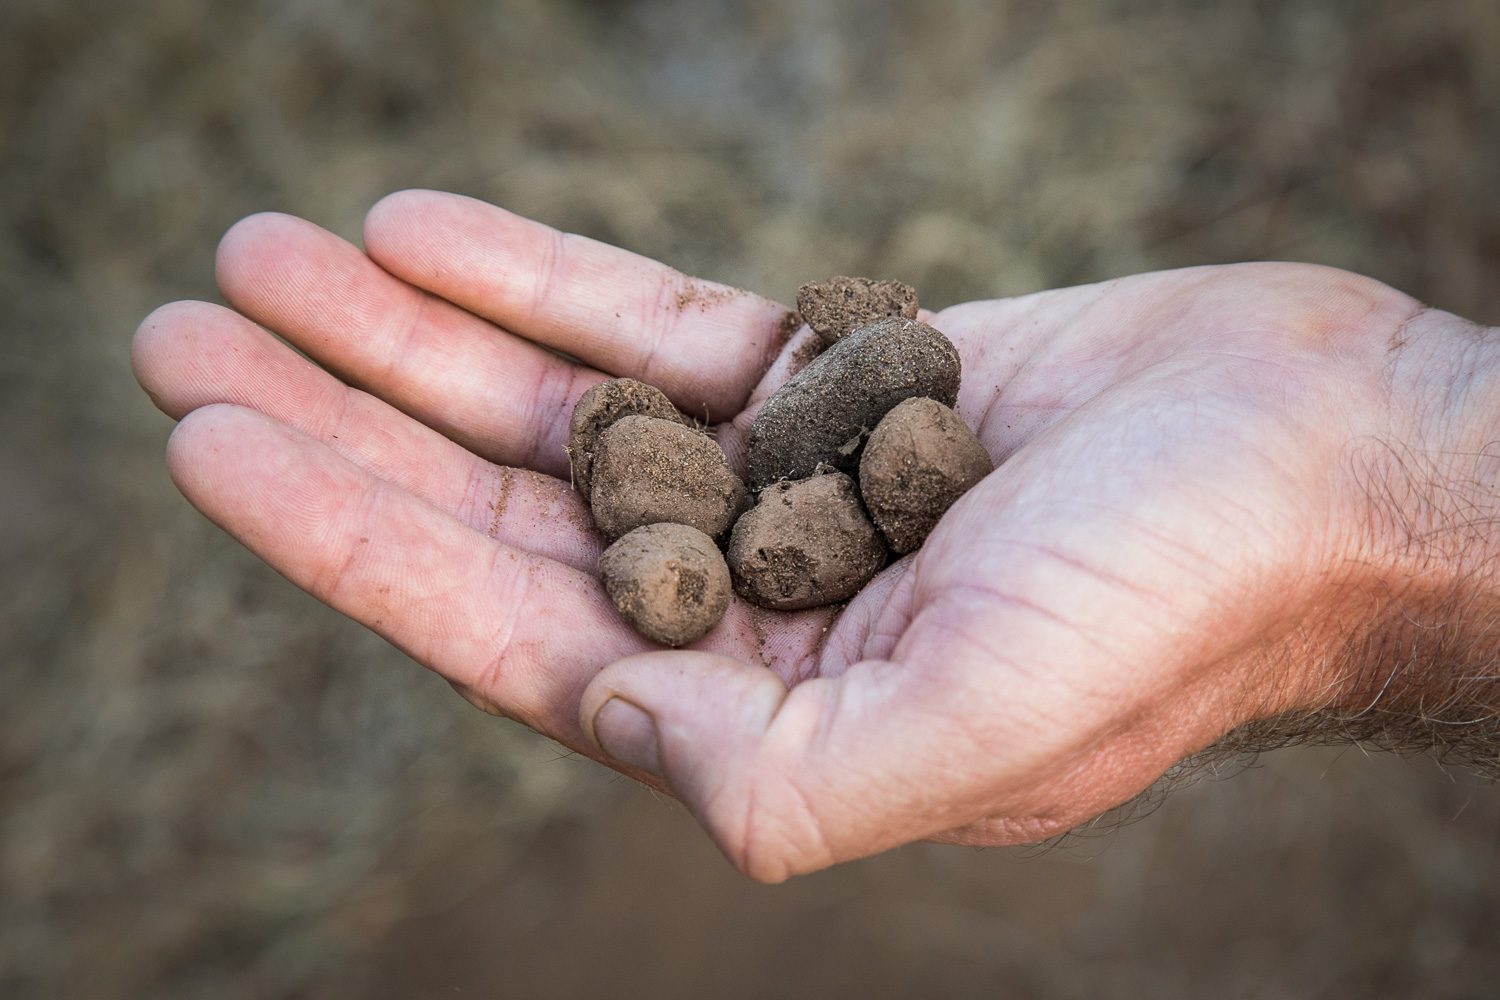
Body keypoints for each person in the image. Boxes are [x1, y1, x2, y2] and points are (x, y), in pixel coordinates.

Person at [132, 189, 1500, 883]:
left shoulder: (868, 420)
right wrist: (1387, 445)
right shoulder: (768, 454)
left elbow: (869, 436)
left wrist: (1365, 469)